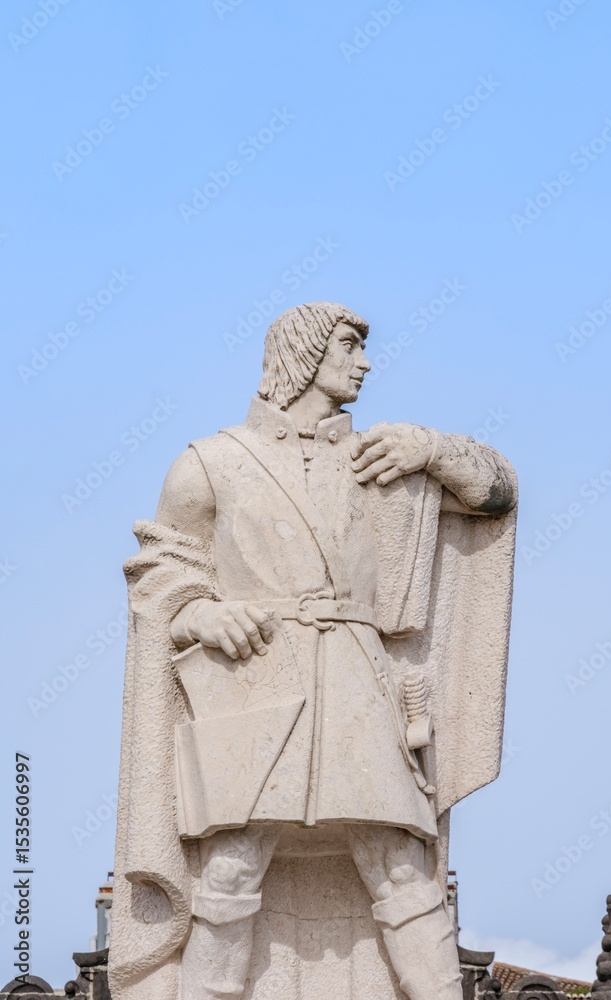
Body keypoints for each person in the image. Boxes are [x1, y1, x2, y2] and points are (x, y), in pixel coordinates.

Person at [109, 302, 518, 1000]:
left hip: (359, 677)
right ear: (304, 351)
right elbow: (161, 571)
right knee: (232, 865)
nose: (364, 362)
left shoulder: (382, 460)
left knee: (397, 859)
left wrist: (432, 448)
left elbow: (495, 493)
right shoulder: (211, 462)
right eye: (351, 346)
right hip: (256, 684)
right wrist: (202, 612)